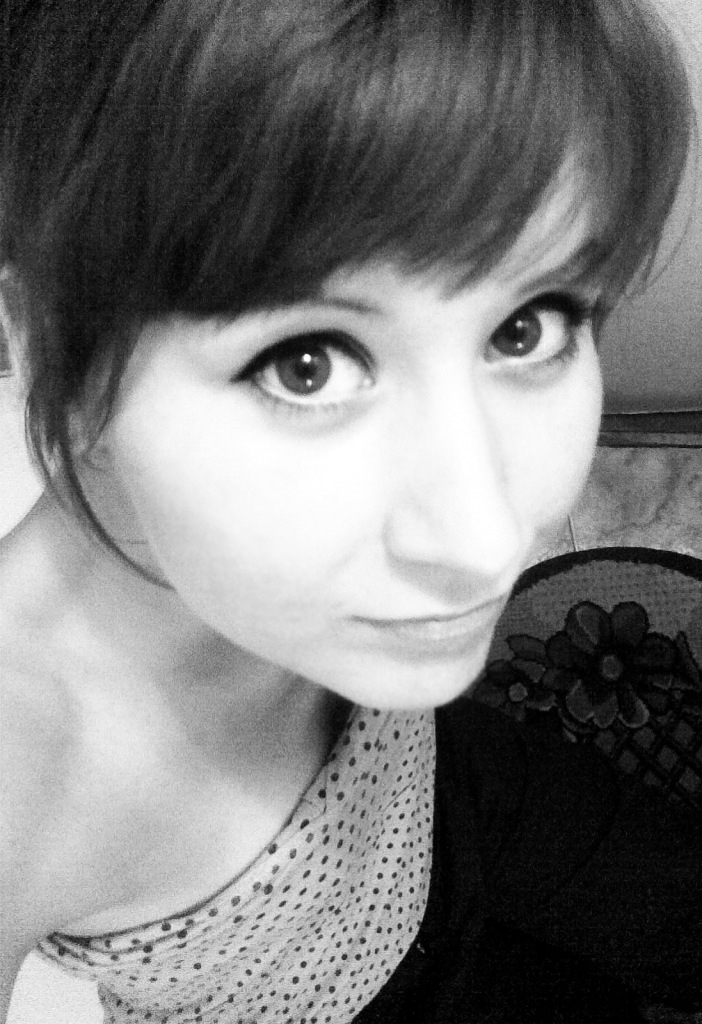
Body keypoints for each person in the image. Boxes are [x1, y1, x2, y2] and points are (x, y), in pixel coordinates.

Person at [0, 0, 699, 1021]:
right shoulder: (20, 759)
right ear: (50, 349)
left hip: (457, 776)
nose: (484, 543)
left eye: (526, 326)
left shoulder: (367, 605)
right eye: (307, 364)